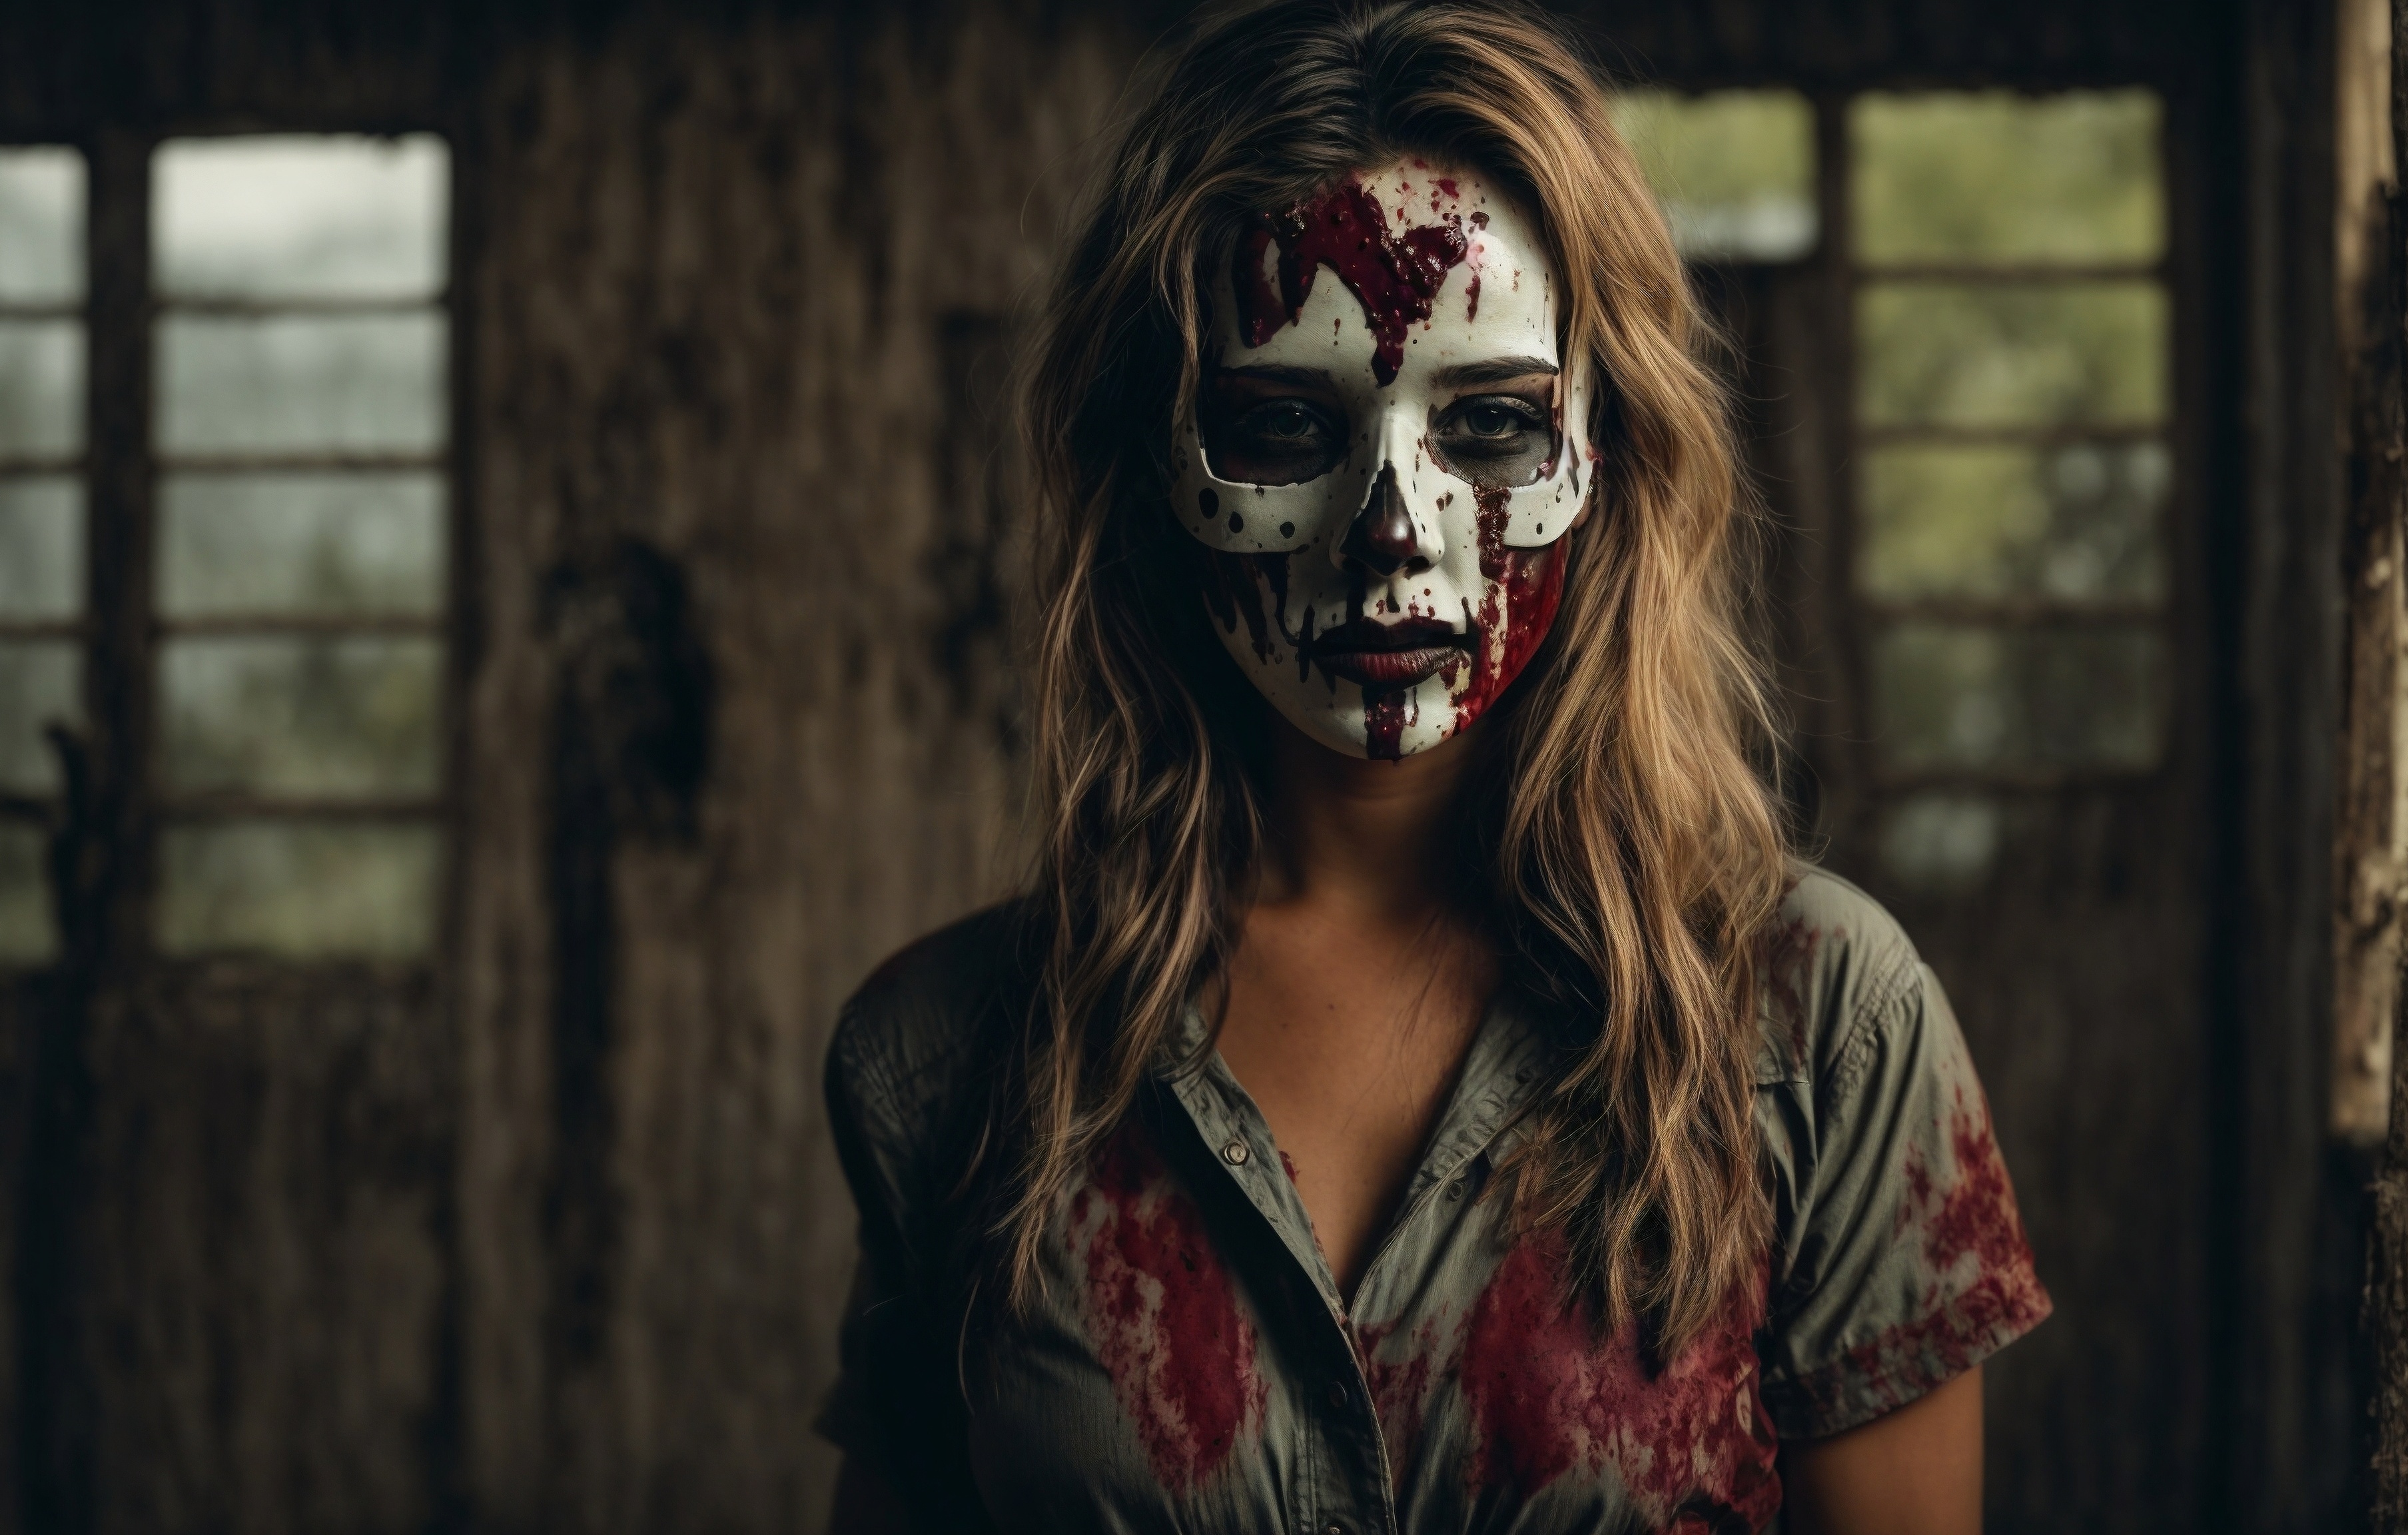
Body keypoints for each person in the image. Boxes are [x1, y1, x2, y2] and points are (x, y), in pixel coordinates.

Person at [817, 2, 2050, 1530]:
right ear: (1150, 466)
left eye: (1488, 424)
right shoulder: (949, 1064)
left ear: (1610, 452)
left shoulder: (1825, 1024)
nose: (1394, 527)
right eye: (1280, 424)